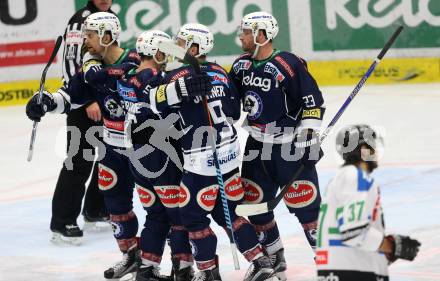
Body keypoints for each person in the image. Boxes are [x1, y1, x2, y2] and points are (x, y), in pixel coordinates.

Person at [148, 23, 274, 281]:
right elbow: (234, 112)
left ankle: (207, 272)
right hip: (229, 152)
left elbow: (154, 103)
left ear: (194, 47)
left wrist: (175, 91)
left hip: (201, 159)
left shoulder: (177, 75)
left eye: (181, 42)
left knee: (192, 215)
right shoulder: (220, 71)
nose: (177, 46)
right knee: (228, 209)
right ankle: (261, 261)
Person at [228, 11, 325, 281]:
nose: (242, 36)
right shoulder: (240, 66)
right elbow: (229, 103)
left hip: (288, 147)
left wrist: (309, 136)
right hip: (256, 146)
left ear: (261, 35)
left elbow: (312, 103)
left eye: (246, 32)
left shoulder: (288, 64)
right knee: (254, 202)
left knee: (307, 208)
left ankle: (331, 265)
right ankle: (274, 257)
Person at [316, 124, 421, 281]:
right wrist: (391, 246)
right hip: (353, 272)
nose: (376, 151)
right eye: (372, 145)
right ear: (363, 148)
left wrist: (383, 252)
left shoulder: (341, 179)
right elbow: (354, 232)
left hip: (343, 269)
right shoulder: (355, 177)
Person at [49, 0, 113, 244]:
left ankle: (95, 209)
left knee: (110, 156)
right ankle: (62, 221)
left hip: (106, 102)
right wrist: (86, 101)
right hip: (82, 104)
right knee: (78, 161)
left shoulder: (110, 15)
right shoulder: (80, 20)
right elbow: (70, 64)